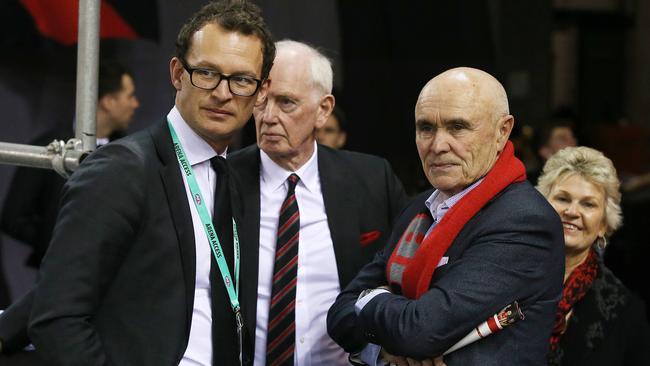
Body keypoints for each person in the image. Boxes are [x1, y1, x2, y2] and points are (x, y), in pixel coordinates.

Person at [25, 1, 275, 365]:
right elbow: (57, 318)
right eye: (206, 73)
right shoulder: (121, 170)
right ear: (177, 73)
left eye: (241, 80)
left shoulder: (233, 179)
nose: (222, 93)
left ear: (260, 91)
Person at [327, 67, 565, 365]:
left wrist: (369, 301)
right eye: (426, 128)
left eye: (457, 127)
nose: (437, 145)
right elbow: (338, 316)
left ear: (502, 131)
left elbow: (420, 330)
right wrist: (388, 346)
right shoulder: (418, 209)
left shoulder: (525, 221)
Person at [228, 40, 408, 366]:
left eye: (286, 103)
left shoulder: (371, 179)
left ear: (323, 109)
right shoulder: (220, 181)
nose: (268, 116)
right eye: (261, 100)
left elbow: (407, 273)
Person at [0, 60, 139, 269]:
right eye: (129, 96)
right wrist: (58, 242)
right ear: (108, 101)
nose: (135, 104)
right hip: (58, 275)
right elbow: (13, 216)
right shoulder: (49, 146)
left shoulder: (132, 152)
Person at [536, 146, 650, 365]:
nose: (572, 211)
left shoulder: (626, 313)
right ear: (540, 206)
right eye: (562, 198)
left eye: (588, 204)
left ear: (604, 224)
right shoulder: (502, 275)